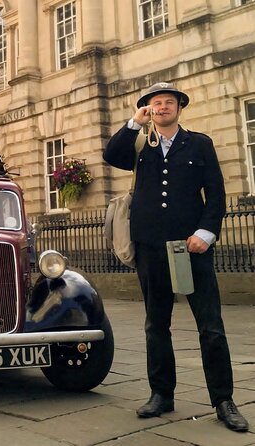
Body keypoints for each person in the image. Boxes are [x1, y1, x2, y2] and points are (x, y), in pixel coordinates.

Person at [103, 82, 249, 432]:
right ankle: (161, 393)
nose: (163, 107)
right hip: (150, 246)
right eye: (156, 103)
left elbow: (215, 193)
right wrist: (134, 122)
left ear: (180, 108)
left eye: (169, 102)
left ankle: (223, 400)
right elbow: (112, 156)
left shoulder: (199, 143)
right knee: (156, 324)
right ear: (148, 109)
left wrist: (206, 232)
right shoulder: (139, 144)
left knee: (210, 326)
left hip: (191, 247)